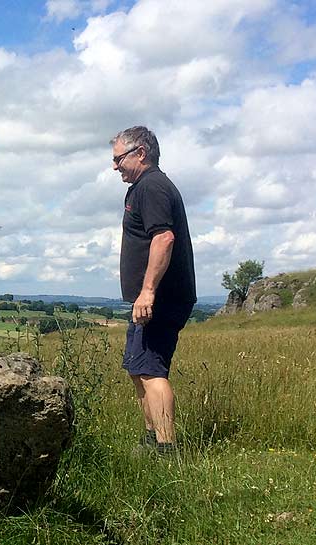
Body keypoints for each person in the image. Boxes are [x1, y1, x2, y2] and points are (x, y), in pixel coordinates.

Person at [111, 126, 197, 454]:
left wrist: (148, 291)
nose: (115, 166)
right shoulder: (141, 188)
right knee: (138, 368)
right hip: (146, 300)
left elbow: (164, 238)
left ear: (140, 153)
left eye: (119, 158)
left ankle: (166, 450)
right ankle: (150, 440)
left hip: (159, 298)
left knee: (151, 370)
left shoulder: (153, 187)